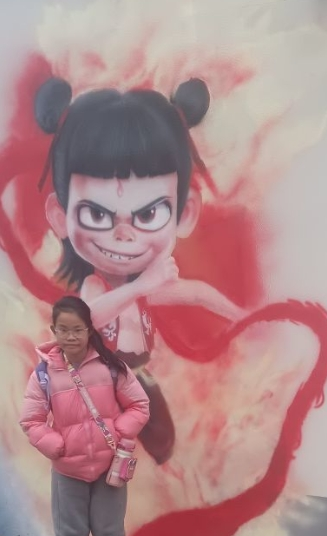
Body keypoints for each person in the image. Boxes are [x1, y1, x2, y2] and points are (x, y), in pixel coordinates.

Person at [35, 77, 246, 465]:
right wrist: (142, 285)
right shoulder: (97, 284)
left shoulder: (146, 289)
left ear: (184, 214)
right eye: (96, 214)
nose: (123, 234)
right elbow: (88, 318)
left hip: (137, 378)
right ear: (60, 217)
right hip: (100, 383)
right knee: (103, 447)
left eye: (148, 214)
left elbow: (196, 292)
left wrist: (245, 317)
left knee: (163, 442)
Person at [19, 295, 150, 536]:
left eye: (77, 329)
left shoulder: (111, 367)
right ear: (54, 330)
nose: (71, 336)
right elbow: (31, 420)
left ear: (90, 330)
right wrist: (56, 445)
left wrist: (120, 432)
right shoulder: (44, 374)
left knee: (109, 535)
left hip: (109, 470)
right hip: (68, 471)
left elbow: (139, 405)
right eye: (63, 329)